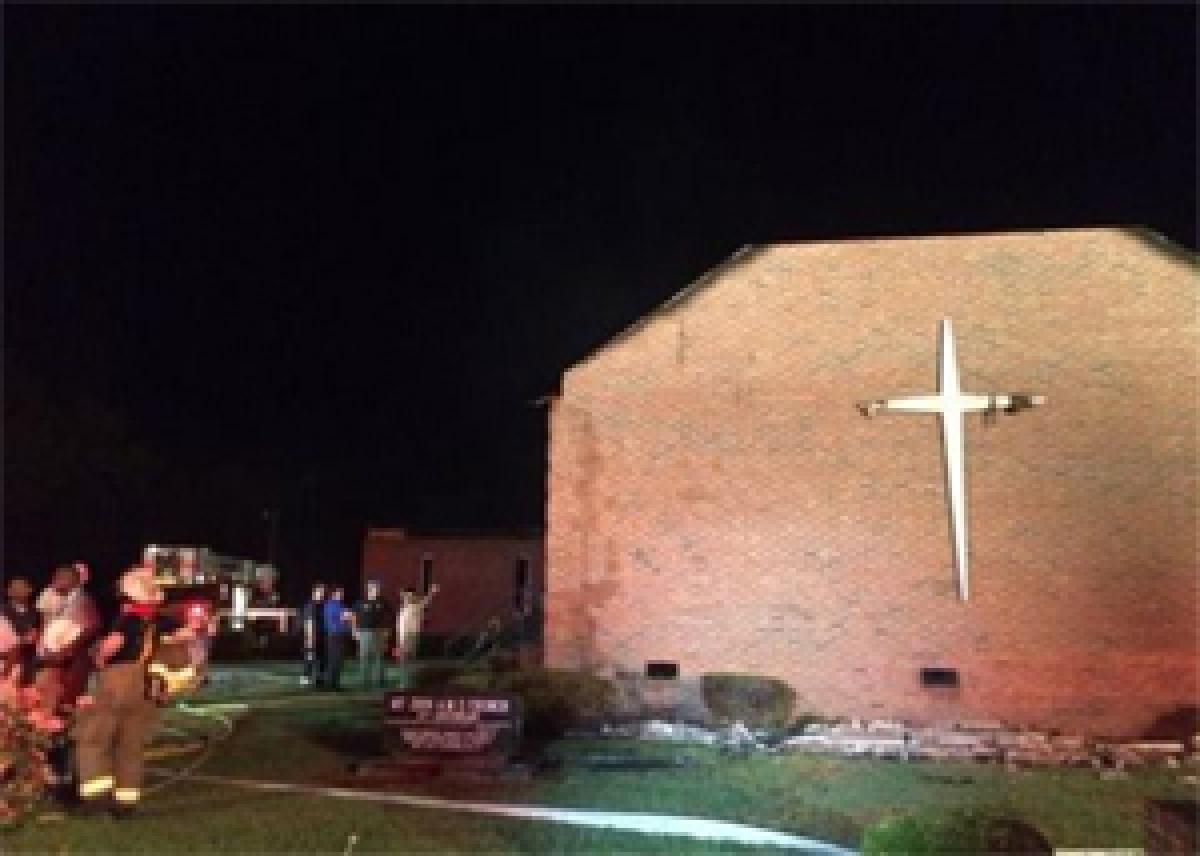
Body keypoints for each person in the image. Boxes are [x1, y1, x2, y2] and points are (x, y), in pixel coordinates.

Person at [73, 565, 196, 817]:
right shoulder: (163, 621)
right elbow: (187, 636)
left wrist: (96, 654)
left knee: (93, 739)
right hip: (147, 686)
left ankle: (97, 798)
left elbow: (110, 647)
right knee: (131, 745)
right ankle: (126, 801)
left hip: (118, 680)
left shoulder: (127, 619)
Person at [34, 564, 101, 716]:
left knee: (61, 701)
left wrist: (66, 649)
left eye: (59, 577)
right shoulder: (63, 600)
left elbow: (92, 626)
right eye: (54, 577)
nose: (54, 580)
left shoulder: (81, 599)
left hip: (71, 661)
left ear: (74, 580)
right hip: (55, 658)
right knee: (44, 696)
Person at [353, 580, 392, 689]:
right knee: (364, 657)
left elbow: (390, 616)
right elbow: (353, 617)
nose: (377, 590)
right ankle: (363, 680)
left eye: (378, 588)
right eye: (375, 588)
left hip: (379, 632)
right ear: (369, 589)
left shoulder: (383, 602)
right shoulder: (360, 602)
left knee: (379, 657)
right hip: (364, 632)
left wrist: (387, 630)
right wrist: (354, 630)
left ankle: (379, 680)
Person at [1, 577, 39, 689]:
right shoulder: (3, 611)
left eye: (21, 587)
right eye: (14, 587)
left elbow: (36, 635)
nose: (17, 590)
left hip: (27, 660)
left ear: (29, 590)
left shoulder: (36, 614)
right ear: (8, 591)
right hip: (6, 660)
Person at [392, 583, 439, 663]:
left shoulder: (416, 606)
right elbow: (399, 622)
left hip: (412, 633)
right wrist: (398, 633)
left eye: (411, 596)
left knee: (410, 652)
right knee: (402, 652)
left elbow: (425, 602)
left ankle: (408, 666)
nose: (408, 598)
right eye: (407, 596)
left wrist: (432, 592)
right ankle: (402, 665)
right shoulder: (403, 609)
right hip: (403, 633)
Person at [321, 586, 354, 691]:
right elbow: (342, 618)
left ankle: (335, 683)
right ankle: (330, 683)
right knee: (334, 659)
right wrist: (346, 617)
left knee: (338, 660)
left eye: (342, 593)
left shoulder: (340, 605)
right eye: (340, 593)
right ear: (334, 594)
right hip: (334, 635)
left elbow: (348, 618)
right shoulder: (331, 605)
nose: (342, 595)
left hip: (340, 635)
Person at [300, 582, 327, 688]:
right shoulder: (310, 605)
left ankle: (319, 678)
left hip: (321, 636)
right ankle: (305, 677)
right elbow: (309, 622)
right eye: (320, 591)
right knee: (310, 657)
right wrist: (311, 638)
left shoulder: (322, 605)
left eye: (323, 592)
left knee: (321, 658)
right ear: (314, 592)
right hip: (312, 636)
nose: (322, 594)